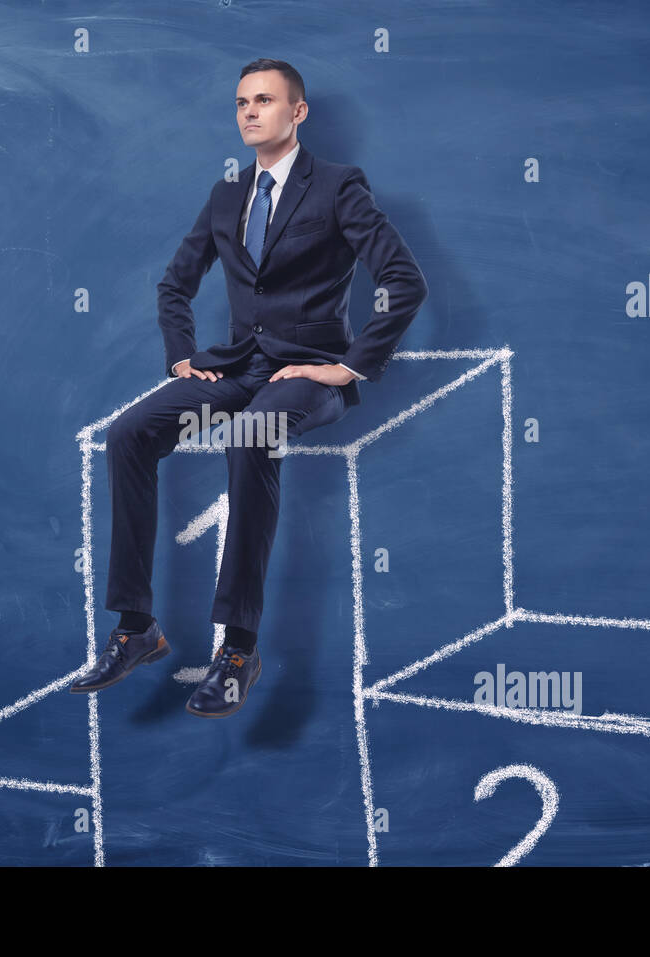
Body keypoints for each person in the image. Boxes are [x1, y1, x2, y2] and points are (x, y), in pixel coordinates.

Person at [70, 58, 428, 717]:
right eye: (241, 102)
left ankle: (237, 648)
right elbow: (175, 285)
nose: (249, 112)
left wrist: (347, 366)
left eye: (265, 100)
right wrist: (182, 356)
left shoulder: (339, 187)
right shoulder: (226, 196)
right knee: (129, 433)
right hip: (235, 367)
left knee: (250, 435)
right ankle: (136, 627)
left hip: (305, 371)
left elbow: (404, 282)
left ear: (298, 112)